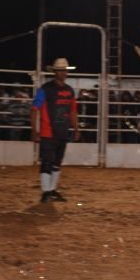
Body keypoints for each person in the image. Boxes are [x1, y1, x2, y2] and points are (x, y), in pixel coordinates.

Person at [31, 58, 80, 203]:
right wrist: (35, 130)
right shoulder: (45, 89)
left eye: (65, 70)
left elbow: (73, 112)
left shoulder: (69, 90)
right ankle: (46, 191)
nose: (64, 73)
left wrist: (76, 128)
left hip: (62, 131)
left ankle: (51, 190)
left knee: (57, 162)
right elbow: (34, 110)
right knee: (47, 161)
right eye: (61, 70)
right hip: (48, 132)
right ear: (55, 72)